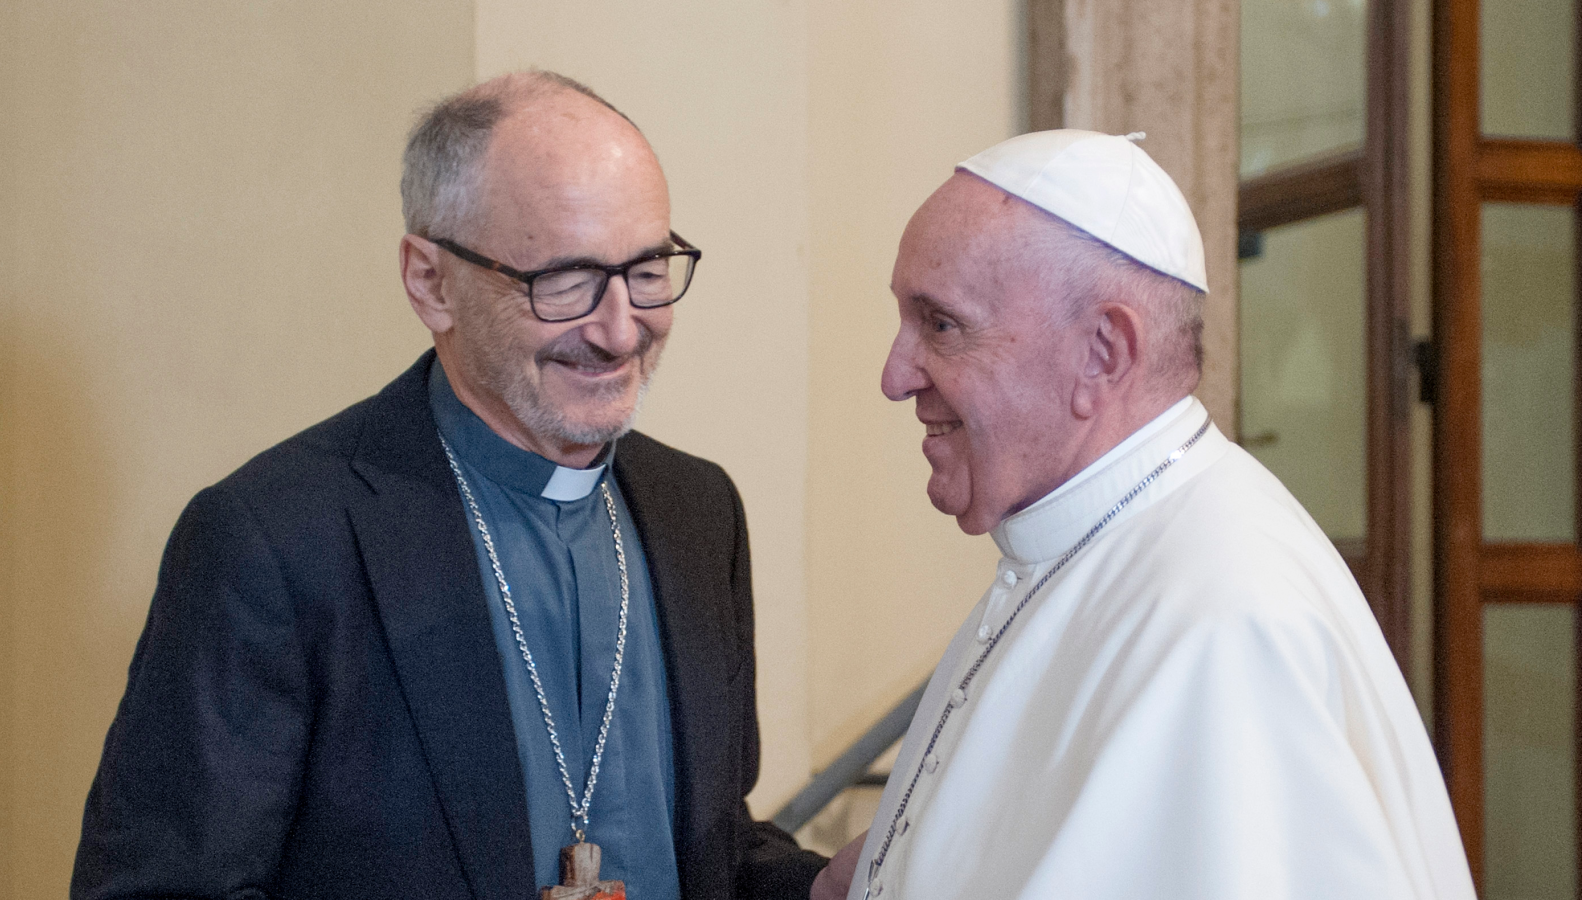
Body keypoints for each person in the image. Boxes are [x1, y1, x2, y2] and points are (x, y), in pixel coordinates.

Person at [73, 71, 827, 900]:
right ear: (431, 282)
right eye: (566, 280)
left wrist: (826, 886)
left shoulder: (698, 510)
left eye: (647, 270)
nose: (620, 330)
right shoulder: (276, 539)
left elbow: (713, 844)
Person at [819, 130, 1476, 900]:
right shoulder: (1087, 549)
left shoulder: (1222, 623)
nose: (895, 377)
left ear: (1103, 353)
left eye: (941, 325)